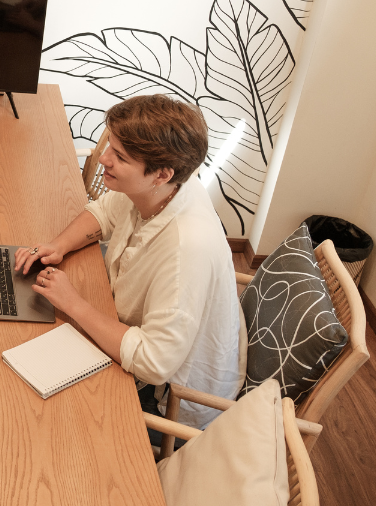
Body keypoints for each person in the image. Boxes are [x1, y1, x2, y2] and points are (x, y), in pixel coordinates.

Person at [13, 94, 242, 431]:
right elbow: (106, 212)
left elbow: (153, 363)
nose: (103, 158)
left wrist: (74, 304)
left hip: (170, 400)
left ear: (161, 174)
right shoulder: (169, 188)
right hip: (130, 330)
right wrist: (58, 246)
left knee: (34, 413)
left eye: (118, 156)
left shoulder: (186, 252)